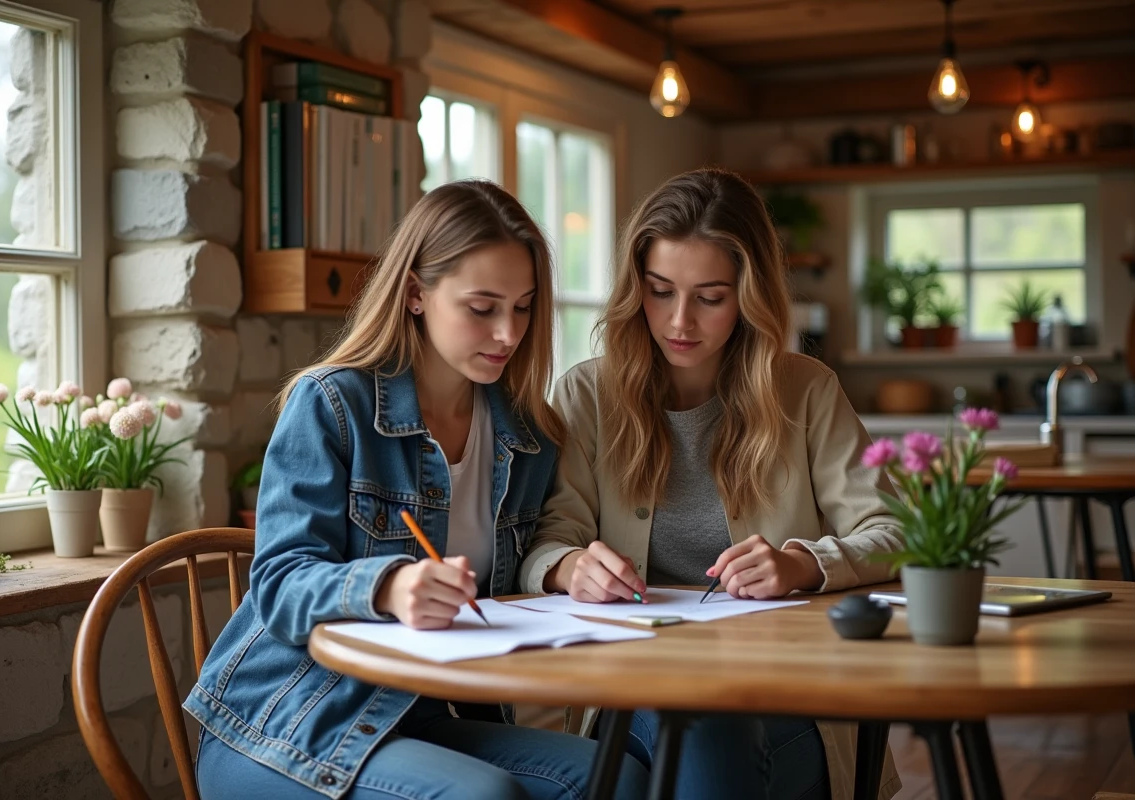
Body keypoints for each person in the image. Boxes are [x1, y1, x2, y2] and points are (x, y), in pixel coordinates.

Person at [185, 180, 648, 800]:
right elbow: (278, 584)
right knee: (485, 798)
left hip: (419, 717)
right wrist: (390, 585)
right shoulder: (333, 404)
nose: (508, 333)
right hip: (286, 720)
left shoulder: (529, 435)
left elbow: (530, 562)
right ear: (414, 294)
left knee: (617, 778)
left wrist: (566, 568)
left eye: (524, 306)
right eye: (482, 308)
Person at [519, 167, 903, 800]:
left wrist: (802, 563)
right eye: (660, 290)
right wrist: (568, 568)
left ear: (749, 297)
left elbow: (896, 530)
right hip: (635, 685)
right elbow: (547, 539)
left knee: (666, 759)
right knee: (683, 734)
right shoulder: (586, 395)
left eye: (711, 296)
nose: (679, 320)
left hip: (787, 690)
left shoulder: (806, 390)